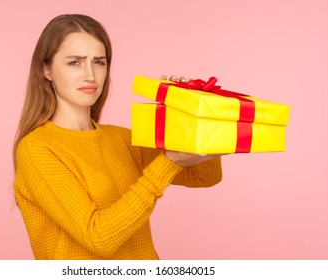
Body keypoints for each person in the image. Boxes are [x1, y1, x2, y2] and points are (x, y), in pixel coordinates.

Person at [13, 14, 223, 260]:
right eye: (74, 62)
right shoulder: (37, 149)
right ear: (46, 70)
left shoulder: (121, 139)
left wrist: (189, 112)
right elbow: (99, 238)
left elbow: (205, 176)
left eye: (99, 62)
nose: (90, 74)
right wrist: (167, 163)